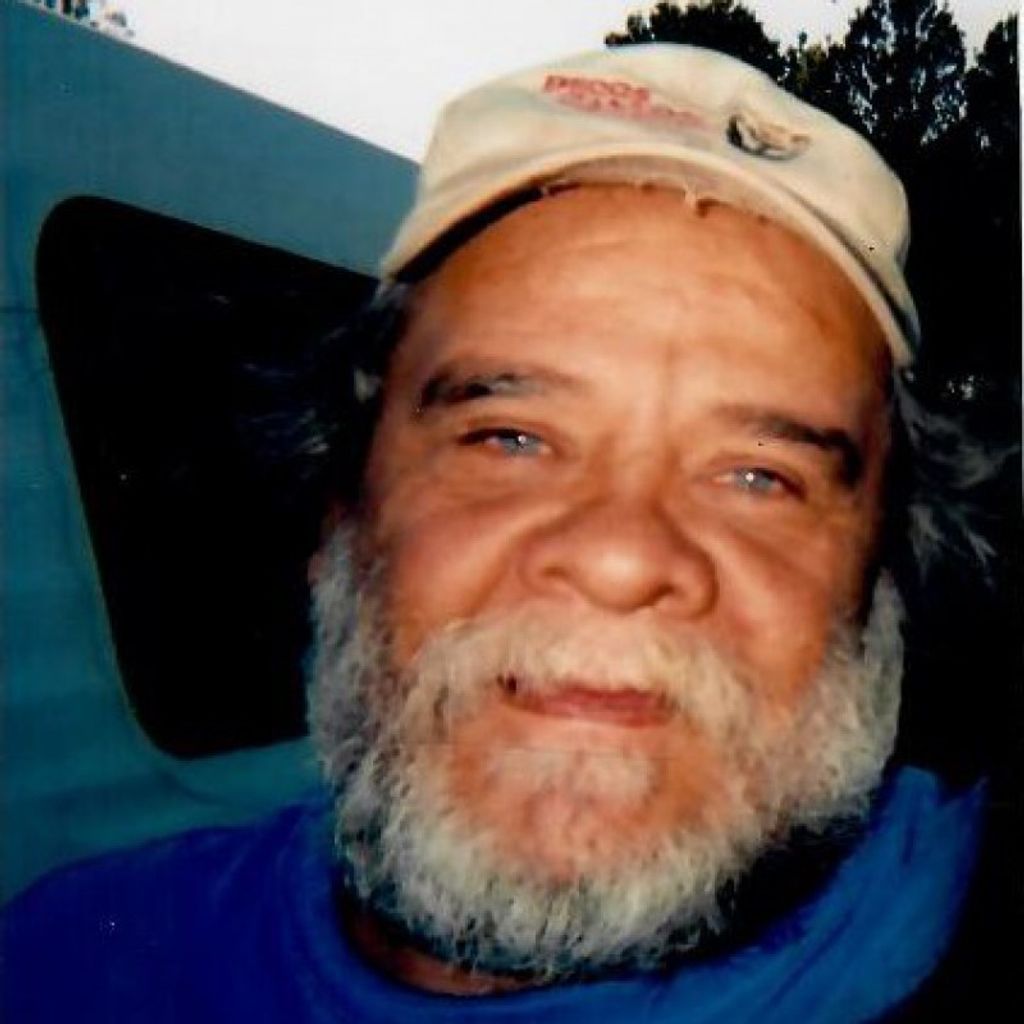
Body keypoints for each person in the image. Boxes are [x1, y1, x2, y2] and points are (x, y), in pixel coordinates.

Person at [3, 44, 1003, 1023]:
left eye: (757, 477)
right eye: (511, 438)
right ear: (340, 512)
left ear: (885, 575)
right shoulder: (65, 962)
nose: (619, 557)